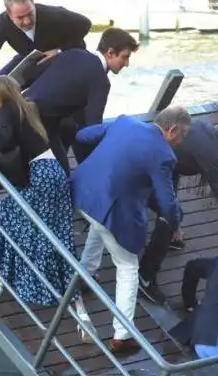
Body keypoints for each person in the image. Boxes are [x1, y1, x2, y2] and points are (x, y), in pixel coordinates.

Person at [69, 106, 191, 354]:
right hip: (112, 207)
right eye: (182, 135)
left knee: (100, 227)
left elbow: (82, 137)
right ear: (172, 129)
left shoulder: (125, 122)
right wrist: (175, 223)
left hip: (83, 192)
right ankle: (122, 335)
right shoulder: (163, 154)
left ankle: (84, 275)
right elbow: (167, 202)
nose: (181, 141)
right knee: (127, 267)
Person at [0, 77, 79, 312]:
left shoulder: (7, 109)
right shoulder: (25, 108)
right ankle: (59, 285)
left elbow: (3, 142)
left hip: (38, 176)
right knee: (49, 229)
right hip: (53, 172)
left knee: (4, 215)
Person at [137, 118, 218, 304]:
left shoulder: (205, 126)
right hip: (147, 171)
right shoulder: (211, 153)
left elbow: (178, 165)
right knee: (170, 216)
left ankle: (170, 235)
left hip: (165, 164)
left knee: (172, 214)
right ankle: (144, 276)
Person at [24, 27, 139, 172]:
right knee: (63, 174)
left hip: (23, 110)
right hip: (38, 125)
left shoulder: (73, 53)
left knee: (70, 127)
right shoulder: (100, 80)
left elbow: (30, 74)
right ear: (110, 53)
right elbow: (93, 129)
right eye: (125, 57)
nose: (127, 63)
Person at [0, 0, 91, 85]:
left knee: (41, 90)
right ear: (9, 15)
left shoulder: (52, 14)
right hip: (32, 57)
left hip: (65, 55)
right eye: (20, 18)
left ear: (34, 6)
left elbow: (85, 23)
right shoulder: (2, 24)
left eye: (30, 14)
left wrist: (59, 50)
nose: (27, 21)